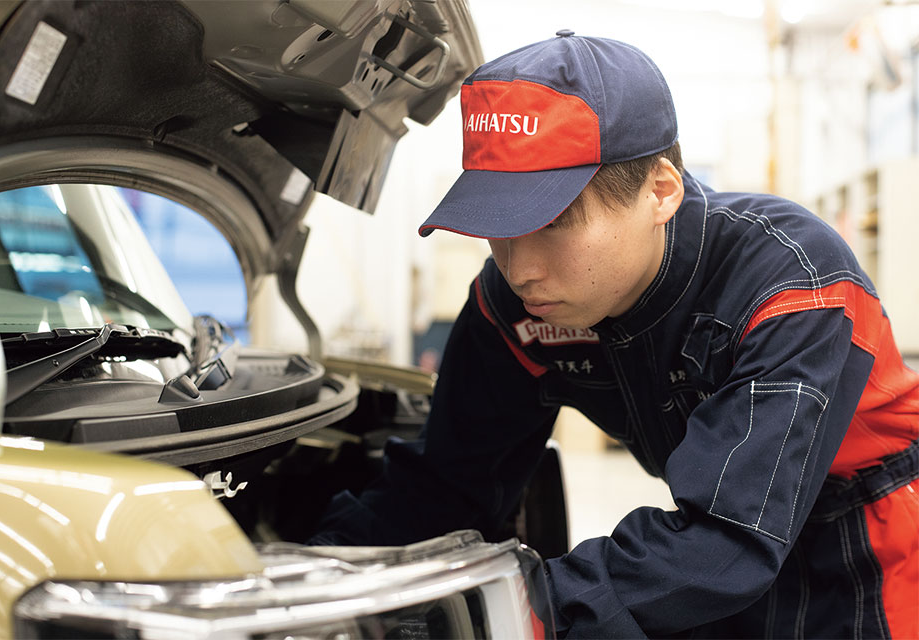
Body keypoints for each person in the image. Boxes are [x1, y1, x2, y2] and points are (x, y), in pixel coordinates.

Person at [311, 32, 919, 638]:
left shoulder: (793, 282)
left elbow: (725, 543)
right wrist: (327, 576)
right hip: (716, 561)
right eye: (498, 226)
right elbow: (449, 482)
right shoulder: (514, 307)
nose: (519, 270)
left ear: (660, 191)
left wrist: (516, 610)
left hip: (869, 547)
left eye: (552, 222)